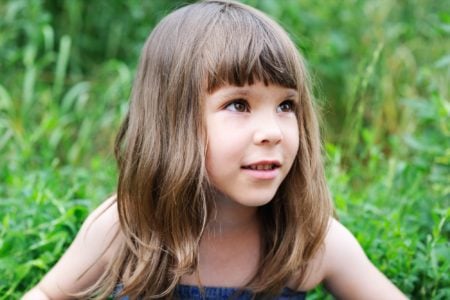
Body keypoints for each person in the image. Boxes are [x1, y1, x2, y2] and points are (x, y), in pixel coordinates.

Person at [23, 1, 408, 299]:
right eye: (238, 104)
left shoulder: (310, 240)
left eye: (286, 105)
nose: (272, 132)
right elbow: (46, 293)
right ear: (173, 120)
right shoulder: (127, 227)